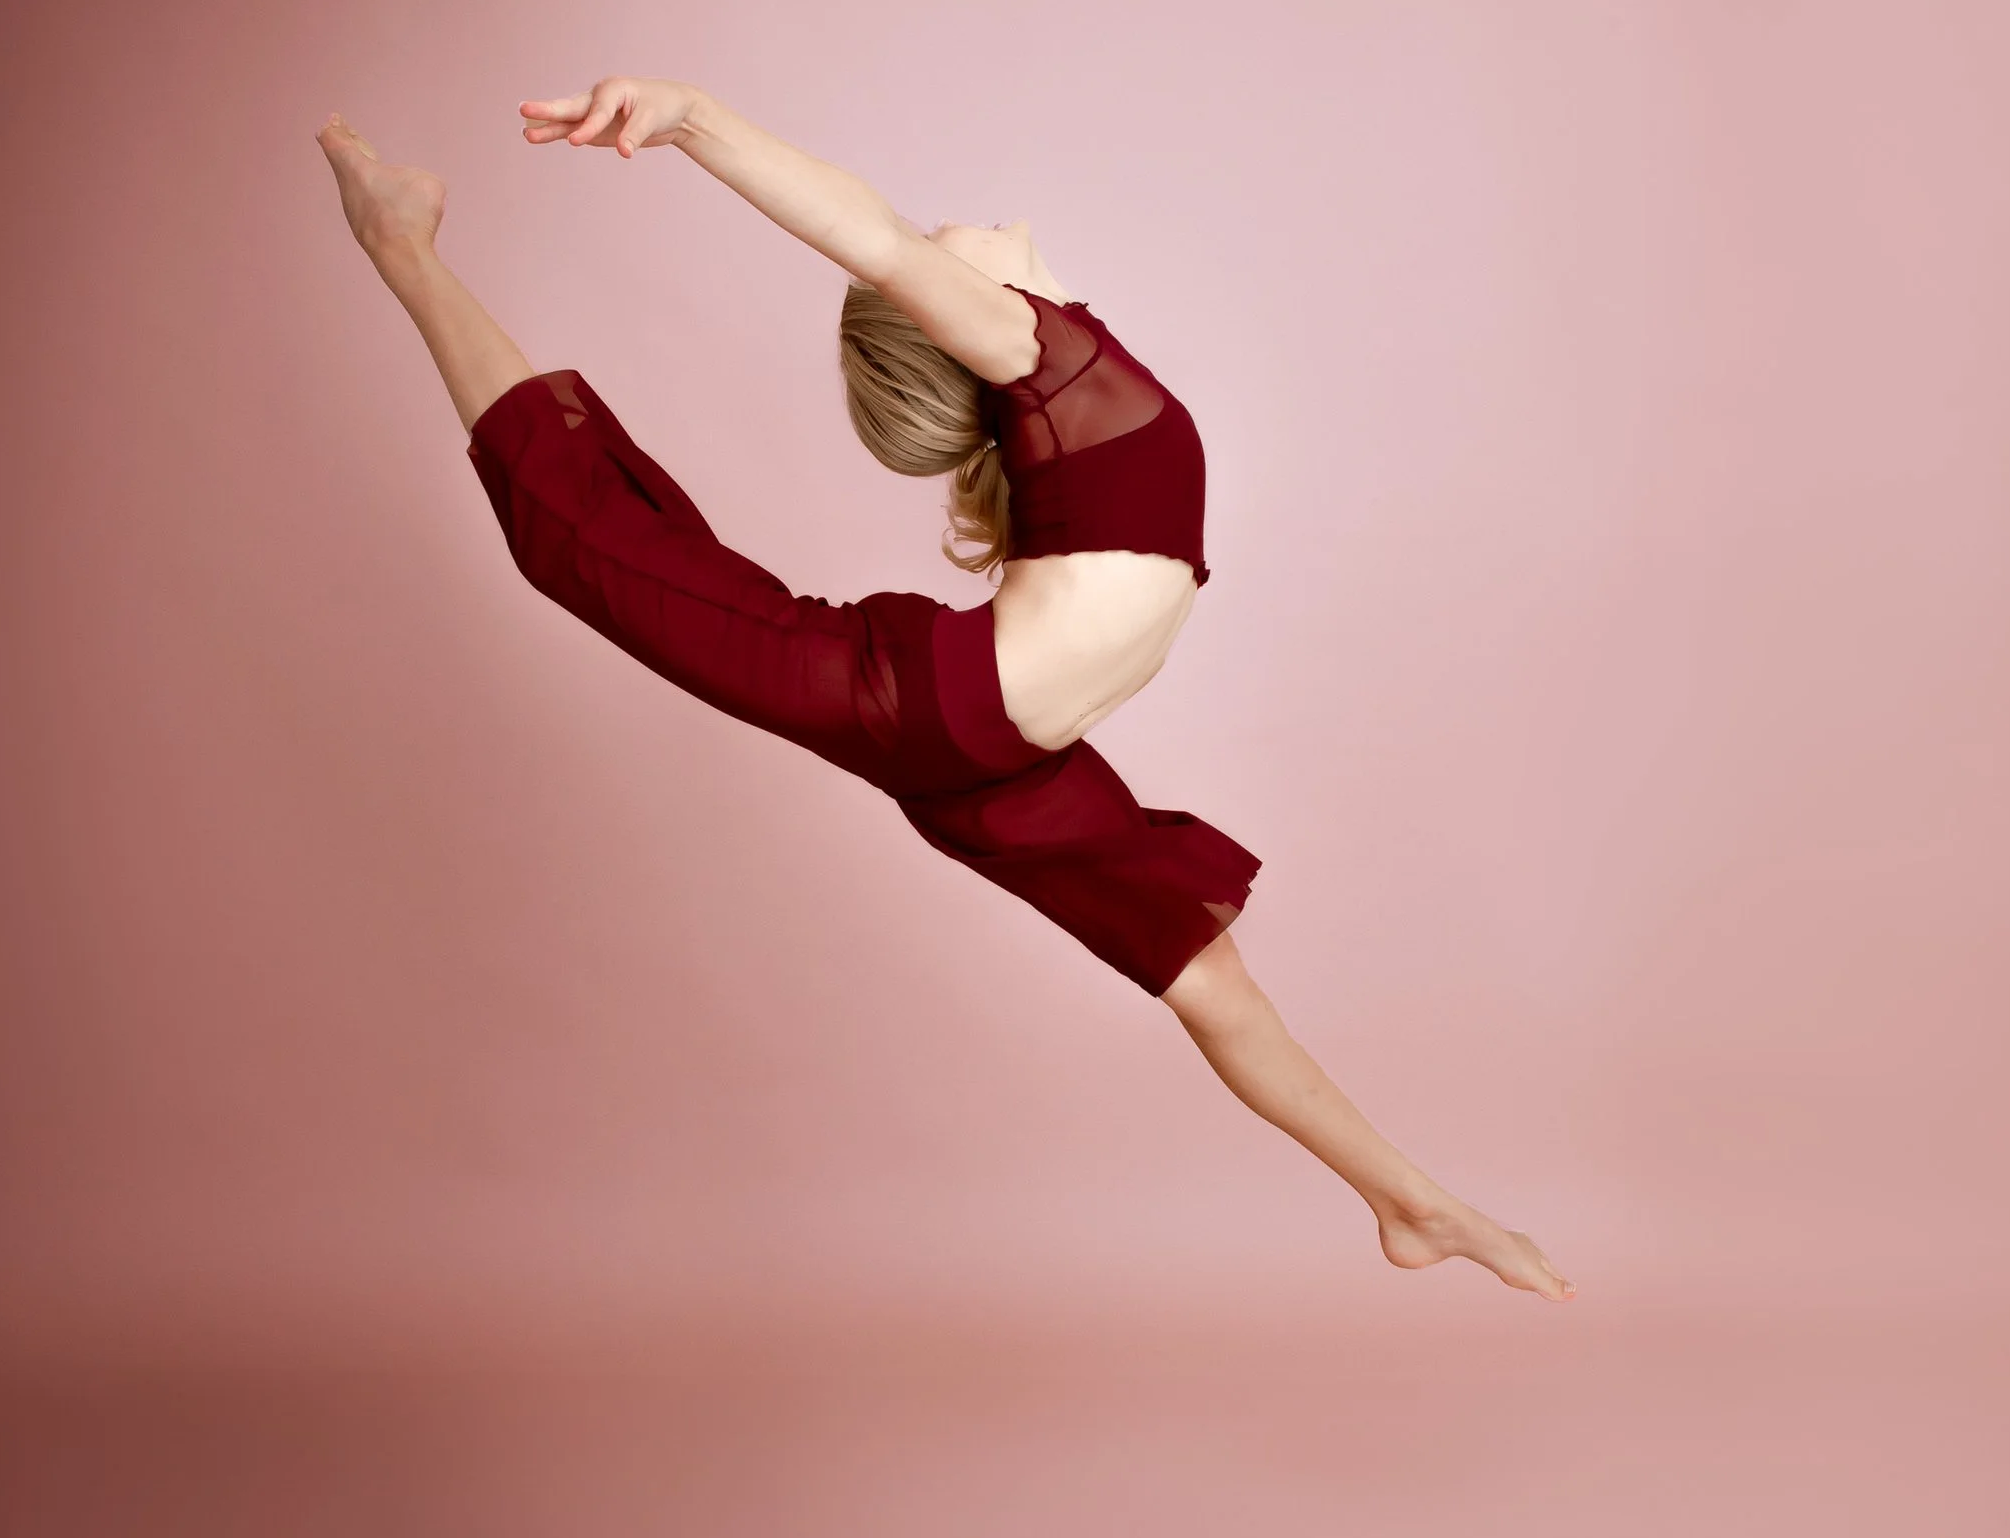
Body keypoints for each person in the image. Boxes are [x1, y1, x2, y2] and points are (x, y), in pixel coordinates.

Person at [316, 77, 1573, 1301]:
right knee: (594, 552)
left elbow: (888, 244)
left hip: (1002, 754)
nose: (934, 232)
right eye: (925, 255)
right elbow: (861, 229)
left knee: (1215, 987)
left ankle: (1411, 1202)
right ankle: (404, 247)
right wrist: (690, 119)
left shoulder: (1068, 368)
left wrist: (880, 241)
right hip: (925, 703)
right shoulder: (1043, 359)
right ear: (950, 315)